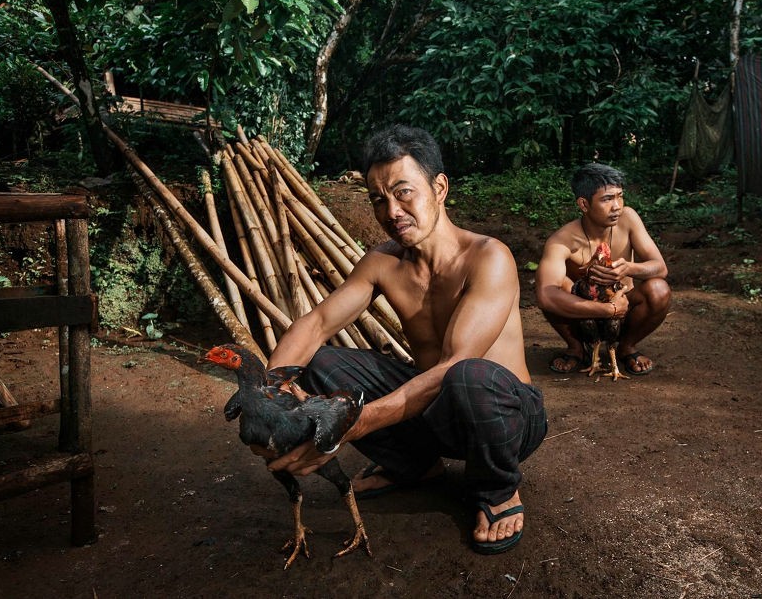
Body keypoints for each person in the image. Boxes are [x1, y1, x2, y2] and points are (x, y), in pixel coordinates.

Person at [262, 124, 547, 555]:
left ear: (439, 188)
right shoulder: (383, 262)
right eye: (379, 199)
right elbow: (317, 321)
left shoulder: (489, 257)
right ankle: (415, 464)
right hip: (436, 412)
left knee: (468, 375)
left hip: (506, 419)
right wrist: (268, 395)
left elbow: (455, 365)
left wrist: (354, 421)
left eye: (403, 192)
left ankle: (497, 490)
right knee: (320, 363)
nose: (392, 210)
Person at [535, 162, 670, 376]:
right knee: (554, 284)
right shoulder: (562, 240)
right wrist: (608, 309)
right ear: (584, 204)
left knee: (659, 289)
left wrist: (629, 268)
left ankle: (626, 347)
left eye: (620, 196)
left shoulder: (628, 218)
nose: (617, 206)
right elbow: (545, 296)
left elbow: (660, 268)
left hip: (624, 311)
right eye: (607, 199)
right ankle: (576, 348)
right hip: (583, 316)